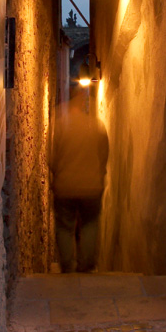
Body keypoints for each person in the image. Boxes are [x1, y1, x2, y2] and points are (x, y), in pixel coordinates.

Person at [50, 86, 109, 273]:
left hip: (65, 185)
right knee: (90, 224)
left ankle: (67, 265)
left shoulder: (61, 125)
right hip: (91, 186)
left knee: (64, 226)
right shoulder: (96, 125)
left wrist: (56, 175)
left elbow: (52, 157)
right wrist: (99, 174)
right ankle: (86, 265)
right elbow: (104, 154)